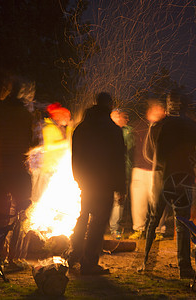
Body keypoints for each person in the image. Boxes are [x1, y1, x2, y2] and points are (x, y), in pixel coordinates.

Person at [139, 94, 196, 279]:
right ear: (184, 107)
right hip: (184, 178)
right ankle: (184, 267)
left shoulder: (158, 126)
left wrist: (163, 163)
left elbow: (149, 154)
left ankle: (145, 263)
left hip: (161, 178)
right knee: (182, 221)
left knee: (153, 219)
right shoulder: (193, 126)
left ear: (168, 106)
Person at [68, 92, 126, 275]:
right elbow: (118, 160)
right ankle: (89, 262)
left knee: (83, 217)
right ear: (109, 106)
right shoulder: (113, 130)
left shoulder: (82, 128)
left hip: (87, 182)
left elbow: (75, 156)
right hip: (105, 184)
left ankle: (74, 254)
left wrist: (78, 177)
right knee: (98, 223)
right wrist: (120, 187)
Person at [0, 77, 34, 271]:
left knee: (0, 214)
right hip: (17, 166)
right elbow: (30, 141)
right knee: (22, 212)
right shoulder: (24, 114)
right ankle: (14, 258)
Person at [128, 100, 167, 240]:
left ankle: (158, 229)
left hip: (157, 170)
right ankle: (139, 229)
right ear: (150, 110)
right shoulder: (139, 125)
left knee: (157, 201)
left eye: (162, 109)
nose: (161, 111)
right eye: (158, 108)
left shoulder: (165, 127)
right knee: (138, 201)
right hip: (139, 169)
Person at [31, 103, 72, 203]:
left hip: (55, 167)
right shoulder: (49, 127)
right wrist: (67, 143)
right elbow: (49, 146)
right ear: (59, 116)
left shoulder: (59, 128)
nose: (68, 119)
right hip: (48, 167)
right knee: (41, 196)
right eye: (66, 116)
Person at [109, 108, 134, 239]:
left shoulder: (127, 131)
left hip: (123, 170)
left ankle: (114, 229)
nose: (126, 119)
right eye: (124, 117)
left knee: (119, 200)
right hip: (107, 171)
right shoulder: (105, 131)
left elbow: (129, 148)